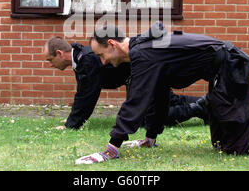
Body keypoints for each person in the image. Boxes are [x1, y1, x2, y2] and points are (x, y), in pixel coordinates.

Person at [75, 22, 249, 164]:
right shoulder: (145, 48)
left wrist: (112, 148)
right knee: (224, 142)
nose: (104, 63)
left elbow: (136, 101)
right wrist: (150, 137)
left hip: (233, 69)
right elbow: (155, 94)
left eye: (102, 56)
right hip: (224, 72)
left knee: (237, 146)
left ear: (112, 44)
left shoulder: (144, 53)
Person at [43, 36, 208, 130]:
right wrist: (72, 119)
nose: (50, 65)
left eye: (50, 60)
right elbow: (82, 94)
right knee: (169, 101)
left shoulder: (85, 61)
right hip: (136, 73)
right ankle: (208, 105)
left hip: (140, 72)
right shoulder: (79, 57)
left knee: (148, 118)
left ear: (59, 53)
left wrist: (71, 125)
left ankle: (198, 108)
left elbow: (87, 96)